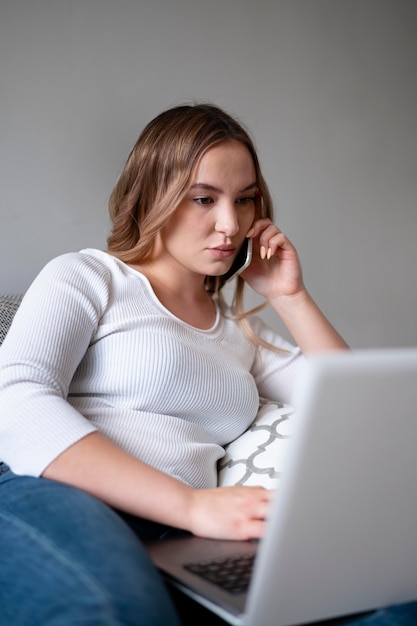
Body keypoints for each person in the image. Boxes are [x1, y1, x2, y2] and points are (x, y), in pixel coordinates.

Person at [0, 103, 415, 626]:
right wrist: (191, 507)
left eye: (244, 201)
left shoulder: (239, 332)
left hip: (184, 537)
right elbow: (15, 402)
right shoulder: (88, 278)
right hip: (58, 494)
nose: (231, 224)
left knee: (397, 600)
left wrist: (290, 296)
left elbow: (360, 411)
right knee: (114, 613)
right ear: (152, 195)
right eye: (204, 199)